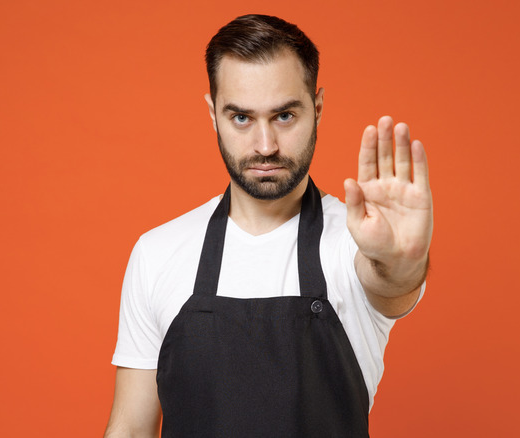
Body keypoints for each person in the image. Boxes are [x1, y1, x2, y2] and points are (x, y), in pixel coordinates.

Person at [104, 14, 432, 438]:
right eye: (241, 118)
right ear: (213, 114)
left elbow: (391, 282)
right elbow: (131, 429)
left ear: (317, 109)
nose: (265, 146)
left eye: (284, 116)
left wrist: (402, 260)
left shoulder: (356, 242)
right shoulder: (157, 253)